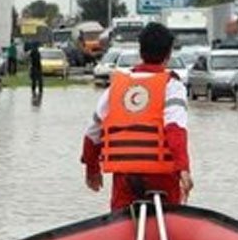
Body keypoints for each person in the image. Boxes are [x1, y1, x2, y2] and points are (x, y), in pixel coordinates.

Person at [81, 22, 193, 211]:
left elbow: (93, 132)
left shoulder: (116, 87)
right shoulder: (172, 86)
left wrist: (92, 168)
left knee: (121, 223)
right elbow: (175, 129)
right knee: (169, 223)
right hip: (162, 177)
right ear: (168, 54)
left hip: (125, 176)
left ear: (140, 52)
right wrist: (183, 168)